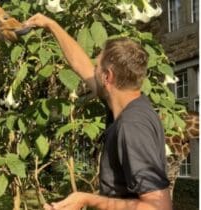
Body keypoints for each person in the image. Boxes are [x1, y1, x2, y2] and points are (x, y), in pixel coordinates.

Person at [24, 14, 172, 210]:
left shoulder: (132, 125)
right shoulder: (128, 102)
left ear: (107, 77)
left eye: (97, 66)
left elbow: (159, 207)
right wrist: (51, 26)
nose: (92, 69)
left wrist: (87, 199)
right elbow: (80, 64)